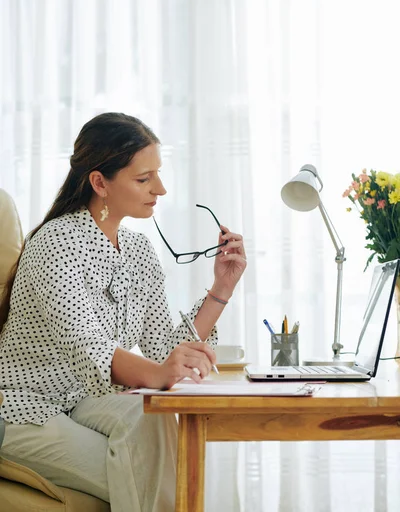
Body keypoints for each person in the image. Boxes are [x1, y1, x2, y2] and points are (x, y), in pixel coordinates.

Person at [0, 112, 247, 512]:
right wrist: (162, 371)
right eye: (144, 178)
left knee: (148, 418)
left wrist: (222, 287)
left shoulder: (137, 251)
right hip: (24, 407)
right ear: (100, 182)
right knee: (149, 471)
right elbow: (88, 347)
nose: (161, 189)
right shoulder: (54, 245)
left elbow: (164, 347)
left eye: (158, 175)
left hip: (84, 400)